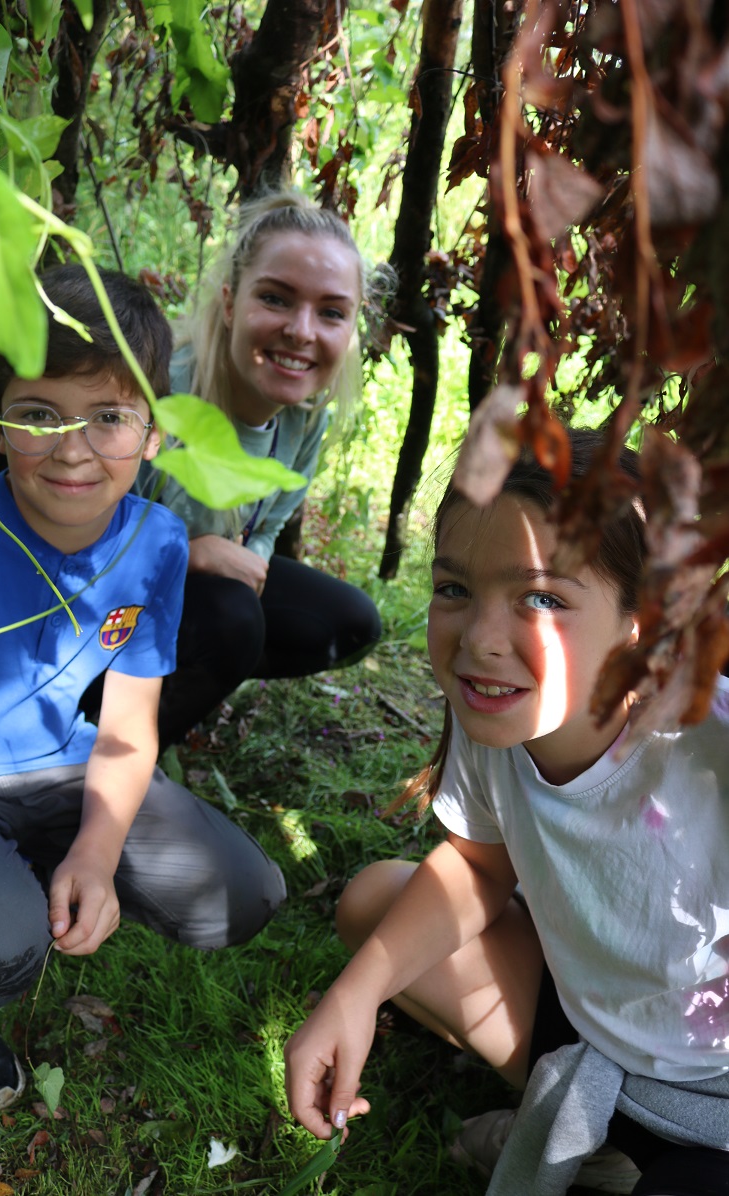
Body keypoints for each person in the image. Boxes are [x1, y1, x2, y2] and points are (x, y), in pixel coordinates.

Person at [284, 427, 729, 1196]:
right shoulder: (499, 712)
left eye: (542, 598)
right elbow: (477, 866)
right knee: (374, 906)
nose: (480, 640)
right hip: (593, 1034)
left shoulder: (707, 741)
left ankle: (620, 1155)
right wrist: (350, 997)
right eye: (454, 588)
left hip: (713, 1096)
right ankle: (602, 1140)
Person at [0, 265, 285, 1120]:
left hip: (59, 765)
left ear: (154, 434)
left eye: (110, 418)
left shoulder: (157, 544)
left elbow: (128, 725)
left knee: (243, 892)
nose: (74, 448)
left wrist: (95, 850)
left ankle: (14, 873)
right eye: (39, 414)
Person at [135, 190, 385, 748]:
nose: (302, 331)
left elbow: (267, 525)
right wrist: (190, 554)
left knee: (349, 620)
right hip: (96, 604)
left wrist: (247, 562)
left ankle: (162, 699)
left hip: (189, 592)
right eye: (275, 299)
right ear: (229, 302)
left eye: (331, 312)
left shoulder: (306, 413)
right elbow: (71, 546)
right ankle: (107, 745)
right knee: (232, 621)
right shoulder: (158, 394)